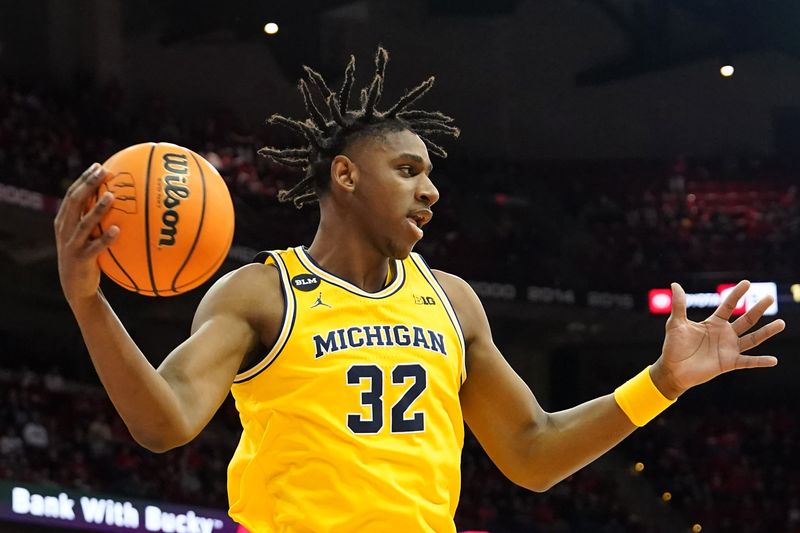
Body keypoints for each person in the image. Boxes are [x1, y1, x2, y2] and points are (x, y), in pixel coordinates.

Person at [54, 47, 785, 533]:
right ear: (344, 175)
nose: (430, 190)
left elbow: (531, 451)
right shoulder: (261, 294)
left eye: (431, 174)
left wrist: (659, 383)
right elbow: (165, 422)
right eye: (408, 169)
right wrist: (89, 300)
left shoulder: (453, 300)